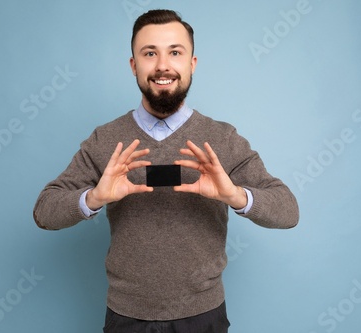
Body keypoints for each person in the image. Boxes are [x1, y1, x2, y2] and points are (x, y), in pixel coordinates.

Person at [33, 9, 299, 333]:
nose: (162, 65)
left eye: (175, 52)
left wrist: (235, 195)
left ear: (192, 64)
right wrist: (94, 197)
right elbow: (44, 212)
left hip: (204, 317)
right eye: (149, 53)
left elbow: (288, 211)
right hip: (125, 318)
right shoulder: (105, 139)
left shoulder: (223, 139)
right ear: (134, 65)